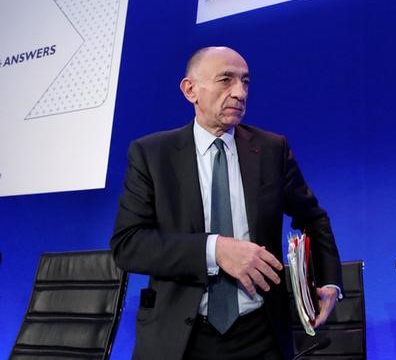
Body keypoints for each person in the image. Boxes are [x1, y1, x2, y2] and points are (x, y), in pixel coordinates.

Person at [110, 46, 343, 360]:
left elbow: (313, 217)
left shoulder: (271, 149)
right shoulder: (152, 154)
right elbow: (129, 244)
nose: (239, 92)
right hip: (180, 338)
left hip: (260, 333)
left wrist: (329, 279)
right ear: (190, 89)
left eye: (245, 82)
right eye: (226, 80)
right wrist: (215, 250)